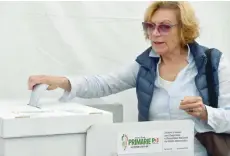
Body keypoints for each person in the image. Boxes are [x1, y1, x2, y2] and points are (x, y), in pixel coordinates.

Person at [28, 1, 230, 156]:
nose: (155, 33)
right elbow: (104, 84)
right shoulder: (145, 65)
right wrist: (60, 81)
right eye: (150, 26)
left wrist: (205, 113)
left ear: (184, 29)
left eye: (165, 27)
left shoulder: (213, 63)